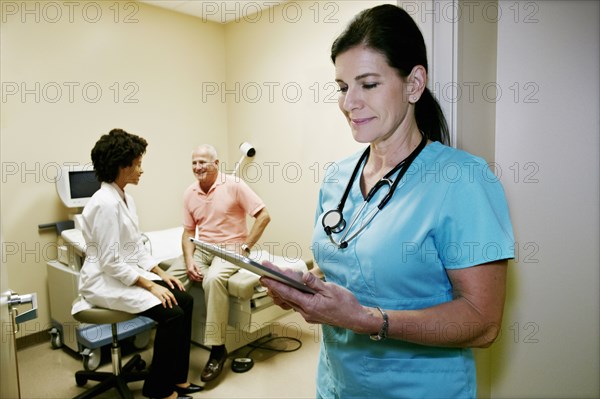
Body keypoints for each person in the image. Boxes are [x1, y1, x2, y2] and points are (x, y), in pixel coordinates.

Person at [260, 4, 515, 399]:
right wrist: (305, 286)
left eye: (369, 84)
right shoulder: (336, 177)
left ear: (414, 84)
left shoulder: (462, 180)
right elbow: (344, 266)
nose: (349, 103)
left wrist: (366, 321)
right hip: (336, 386)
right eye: (343, 87)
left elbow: (483, 323)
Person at [71, 129, 201, 399]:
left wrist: (160, 274)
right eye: (138, 164)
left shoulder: (125, 198)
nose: (141, 170)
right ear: (122, 166)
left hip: (123, 273)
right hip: (103, 280)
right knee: (172, 313)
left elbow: (135, 247)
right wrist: (150, 287)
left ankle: (178, 378)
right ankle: (157, 389)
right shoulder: (105, 204)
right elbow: (109, 262)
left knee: (185, 301)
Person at [167, 144, 271, 383]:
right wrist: (189, 258)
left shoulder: (233, 185)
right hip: (203, 248)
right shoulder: (190, 192)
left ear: (216, 164)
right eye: (194, 162)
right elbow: (188, 232)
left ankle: (217, 349)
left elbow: (264, 215)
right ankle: (170, 342)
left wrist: (245, 247)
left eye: (203, 162)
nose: (197, 167)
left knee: (213, 280)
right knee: (169, 279)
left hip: (231, 249)